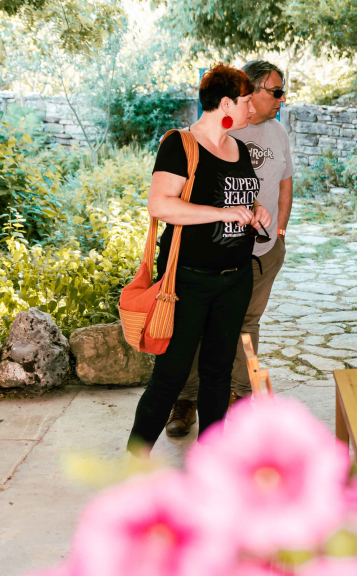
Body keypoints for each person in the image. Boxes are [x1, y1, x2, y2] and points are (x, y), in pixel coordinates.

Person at [128, 64, 272, 454]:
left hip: (235, 278)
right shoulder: (180, 144)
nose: (252, 110)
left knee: (217, 374)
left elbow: (237, 197)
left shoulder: (238, 147)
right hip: (187, 282)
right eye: (245, 102)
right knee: (171, 377)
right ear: (225, 103)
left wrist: (254, 210)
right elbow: (160, 204)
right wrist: (222, 213)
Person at [165, 61, 294, 437]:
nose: (280, 98)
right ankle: (186, 400)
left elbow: (284, 183)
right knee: (197, 329)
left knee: (247, 325)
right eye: (274, 91)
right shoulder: (209, 137)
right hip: (211, 257)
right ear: (246, 93)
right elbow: (173, 198)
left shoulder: (276, 133)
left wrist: (279, 229)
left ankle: (241, 397)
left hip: (264, 250)